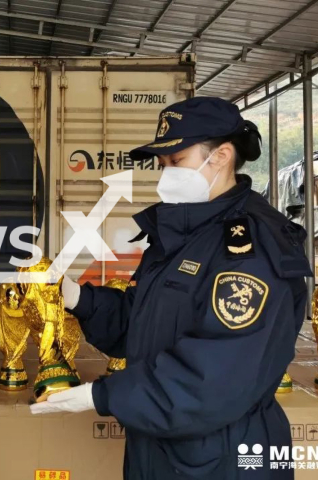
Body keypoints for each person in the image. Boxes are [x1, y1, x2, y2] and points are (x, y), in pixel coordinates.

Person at [31, 97, 311, 480]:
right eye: (162, 164)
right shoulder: (183, 233)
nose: (165, 175)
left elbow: (215, 376)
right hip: (165, 450)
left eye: (176, 162)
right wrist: (76, 297)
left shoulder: (251, 249)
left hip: (226, 459)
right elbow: (142, 327)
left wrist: (102, 395)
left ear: (222, 156)